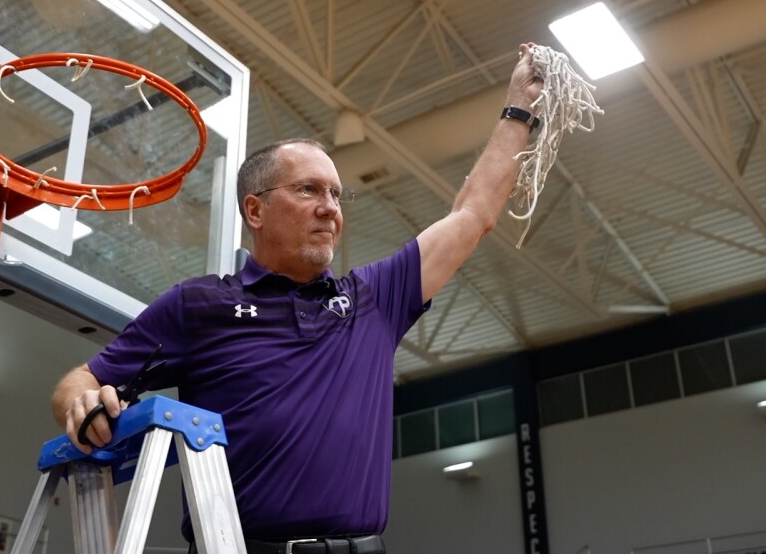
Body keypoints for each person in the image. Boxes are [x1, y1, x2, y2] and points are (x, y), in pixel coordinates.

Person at [51, 43, 545, 554]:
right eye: (309, 190)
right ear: (256, 210)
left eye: (336, 194)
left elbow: (474, 214)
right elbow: (80, 381)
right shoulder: (198, 305)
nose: (330, 208)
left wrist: (519, 108)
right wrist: (80, 402)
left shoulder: (373, 301)